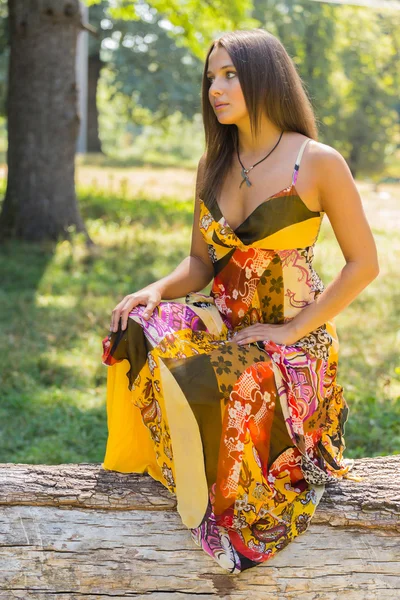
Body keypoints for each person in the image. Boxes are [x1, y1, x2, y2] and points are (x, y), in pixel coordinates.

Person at [101, 28, 379, 573]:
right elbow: (201, 265)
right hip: (226, 320)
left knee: (204, 379)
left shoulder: (317, 162)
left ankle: (220, 511)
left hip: (293, 340)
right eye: (211, 78)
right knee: (134, 327)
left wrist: (291, 331)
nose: (216, 89)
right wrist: (154, 290)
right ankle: (168, 467)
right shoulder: (213, 164)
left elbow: (364, 265)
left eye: (230, 75)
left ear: (265, 77)